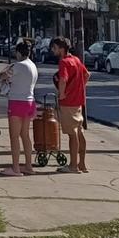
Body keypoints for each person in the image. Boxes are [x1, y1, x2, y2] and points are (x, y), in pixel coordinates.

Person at [0, 40, 38, 176]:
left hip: (17, 102)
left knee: (14, 136)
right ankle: (28, 165)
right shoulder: (33, 66)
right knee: (25, 135)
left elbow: (2, 76)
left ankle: (15, 168)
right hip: (30, 102)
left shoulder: (18, 66)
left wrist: (5, 71)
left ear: (19, 52)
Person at [51, 36, 90, 173]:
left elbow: (63, 79)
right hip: (78, 102)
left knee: (72, 134)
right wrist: (79, 88)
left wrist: (62, 94)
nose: (53, 50)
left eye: (55, 48)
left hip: (68, 103)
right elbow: (86, 75)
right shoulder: (76, 60)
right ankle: (82, 164)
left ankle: (73, 166)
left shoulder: (64, 62)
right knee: (79, 132)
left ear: (62, 49)